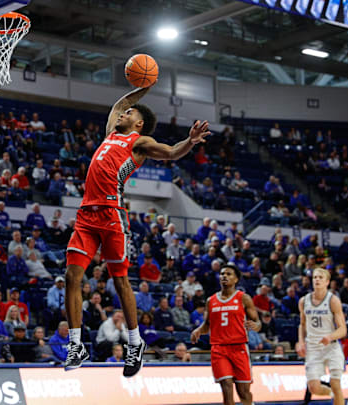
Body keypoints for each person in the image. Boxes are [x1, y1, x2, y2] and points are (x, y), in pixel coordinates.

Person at [64, 85, 212, 377]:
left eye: (129, 114)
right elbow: (122, 102)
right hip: (86, 215)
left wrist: (190, 142)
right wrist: (143, 85)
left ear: (139, 122)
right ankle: (76, 344)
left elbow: (169, 153)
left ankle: (134, 343)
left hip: (112, 215)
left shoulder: (138, 141)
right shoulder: (111, 134)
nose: (123, 114)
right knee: (72, 276)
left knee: (121, 282)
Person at [190, 263, 260, 405]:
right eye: (222, 274)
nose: (224, 276)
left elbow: (257, 322)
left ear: (236, 280)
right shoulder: (211, 300)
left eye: (228, 274)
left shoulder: (243, 298)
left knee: (243, 392)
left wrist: (256, 326)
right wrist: (198, 330)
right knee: (226, 386)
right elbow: (207, 325)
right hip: (219, 348)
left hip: (239, 347)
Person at [296, 268, 347, 405]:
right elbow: (302, 324)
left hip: (331, 346)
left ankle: (336, 393)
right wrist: (300, 342)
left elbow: (343, 329)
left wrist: (330, 337)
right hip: (313, 347)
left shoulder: (333, 300)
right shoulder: (303, 301)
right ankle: (332, 393)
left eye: (320, 277)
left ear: (327, 282)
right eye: (315, 277)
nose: (317, 280)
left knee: (336, 383)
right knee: (313, 387)